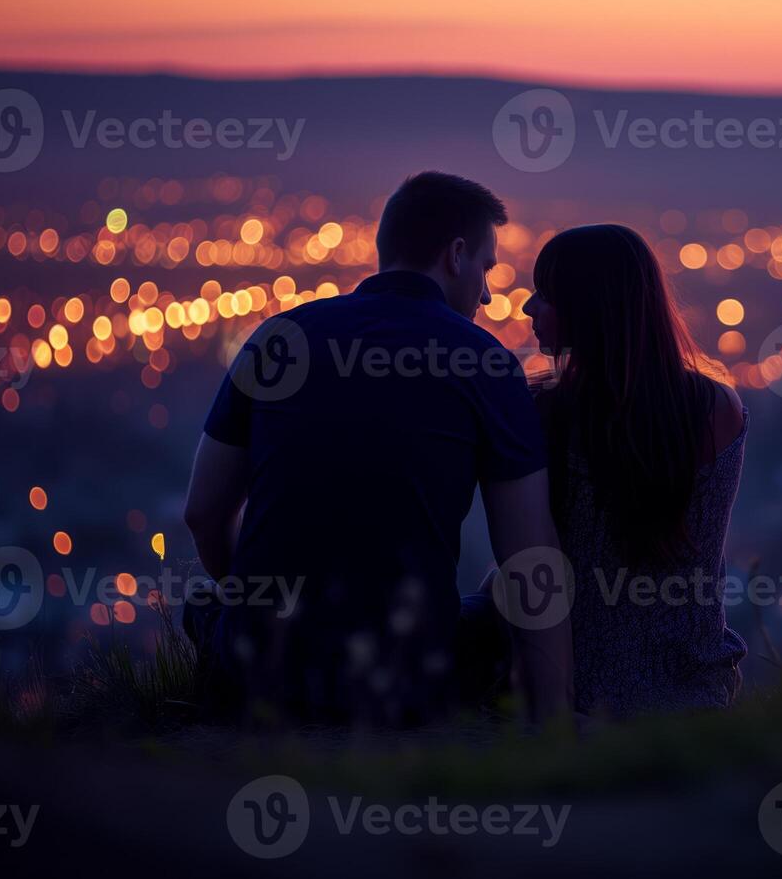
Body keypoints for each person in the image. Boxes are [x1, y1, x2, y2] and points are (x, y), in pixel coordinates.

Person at [182, 172, 572, 727]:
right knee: (498, 597)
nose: (487, 294)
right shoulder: (484, 363)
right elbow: (530, 556)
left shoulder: (278, 338)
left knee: (203, 604)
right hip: (408, 675)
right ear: (455, 255)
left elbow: (202, 513)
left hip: (259, 664)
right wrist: (554, 718)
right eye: (486, 268)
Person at [523, 224, 748, 718]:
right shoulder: (716, 408)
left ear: (591, 307)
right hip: (695, 687)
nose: (527, 308)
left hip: (577, 690)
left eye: (545, 294)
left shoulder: (544, 414)